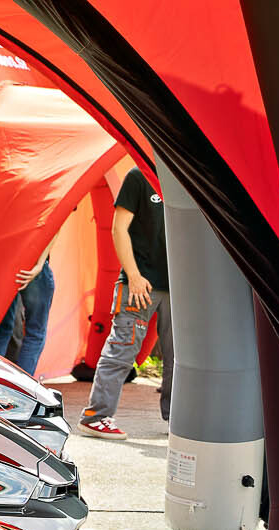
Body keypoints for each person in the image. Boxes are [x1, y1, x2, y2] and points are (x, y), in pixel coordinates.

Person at [80, 167, 171, 439]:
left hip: (177, 288)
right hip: (138, 284)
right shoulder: (138, 176)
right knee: (121, 350)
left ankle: (177, 421)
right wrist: (133, 275)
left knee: (179, 358)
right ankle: (96, 417)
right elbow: (119, 228)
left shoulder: (182, 175)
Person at [0, 247, 55, 377]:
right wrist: (40, 263)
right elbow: (53, 234)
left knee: (1, 329)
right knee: (35, 333)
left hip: (6, 262)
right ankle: (21, 384)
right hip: (33, 263)